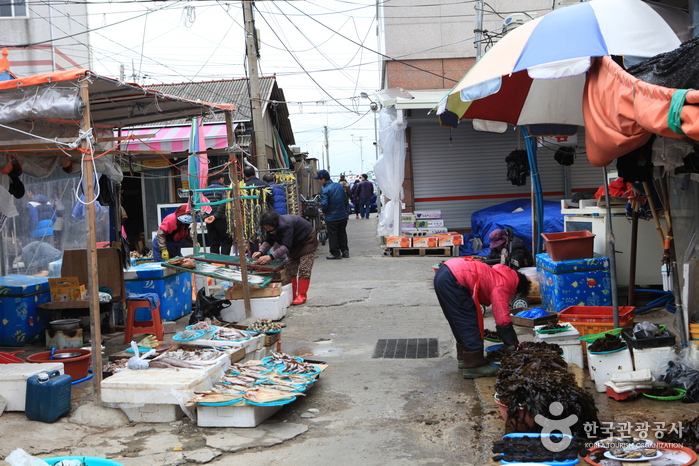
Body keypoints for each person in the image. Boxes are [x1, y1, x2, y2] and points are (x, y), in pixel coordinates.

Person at [434, 258, 531, 379]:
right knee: (468, 320)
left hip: (444, 273)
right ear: (517, 290)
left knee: (457, 319)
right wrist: (513, 346)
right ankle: (474, 366)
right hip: (453, 278)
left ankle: (464, 358)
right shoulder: (504, 284)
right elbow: (502, 319)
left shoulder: (500, 273)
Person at [252, 211, 318, 305]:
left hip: (307, 240)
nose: (266, 229)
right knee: (291, 269)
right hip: (294, 244)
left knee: (304, 268)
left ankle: (302, 295)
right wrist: (261, 251)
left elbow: (286, 246)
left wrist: (270, 256)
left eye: (268, 227)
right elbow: (268, 241)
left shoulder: (286, 225)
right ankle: (293, 295)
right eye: (265, 227)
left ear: (274, 223)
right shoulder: (270, 228)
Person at [315, 169, 349, 260]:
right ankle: (345, 251)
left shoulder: (325, 190)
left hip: (332, 216)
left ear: (323, 179)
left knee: (333, 235)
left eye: (319, 179)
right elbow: (345, 198)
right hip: (342, 215)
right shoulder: (339, 186)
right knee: (342, 233)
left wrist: (323, 210)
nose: (318, 181)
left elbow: (325, 204)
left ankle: (335, 253)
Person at [203, 174, 233, 255]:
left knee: (214, 243)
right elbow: (223, 204)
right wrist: (216, 216)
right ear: (221, 179)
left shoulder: (204, 191)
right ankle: (224, 262)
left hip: (209, 220)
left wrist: (205, 217)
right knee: (226, 241)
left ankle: (215, 263)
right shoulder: (224, 190)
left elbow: (201, 205)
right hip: (222, 219)